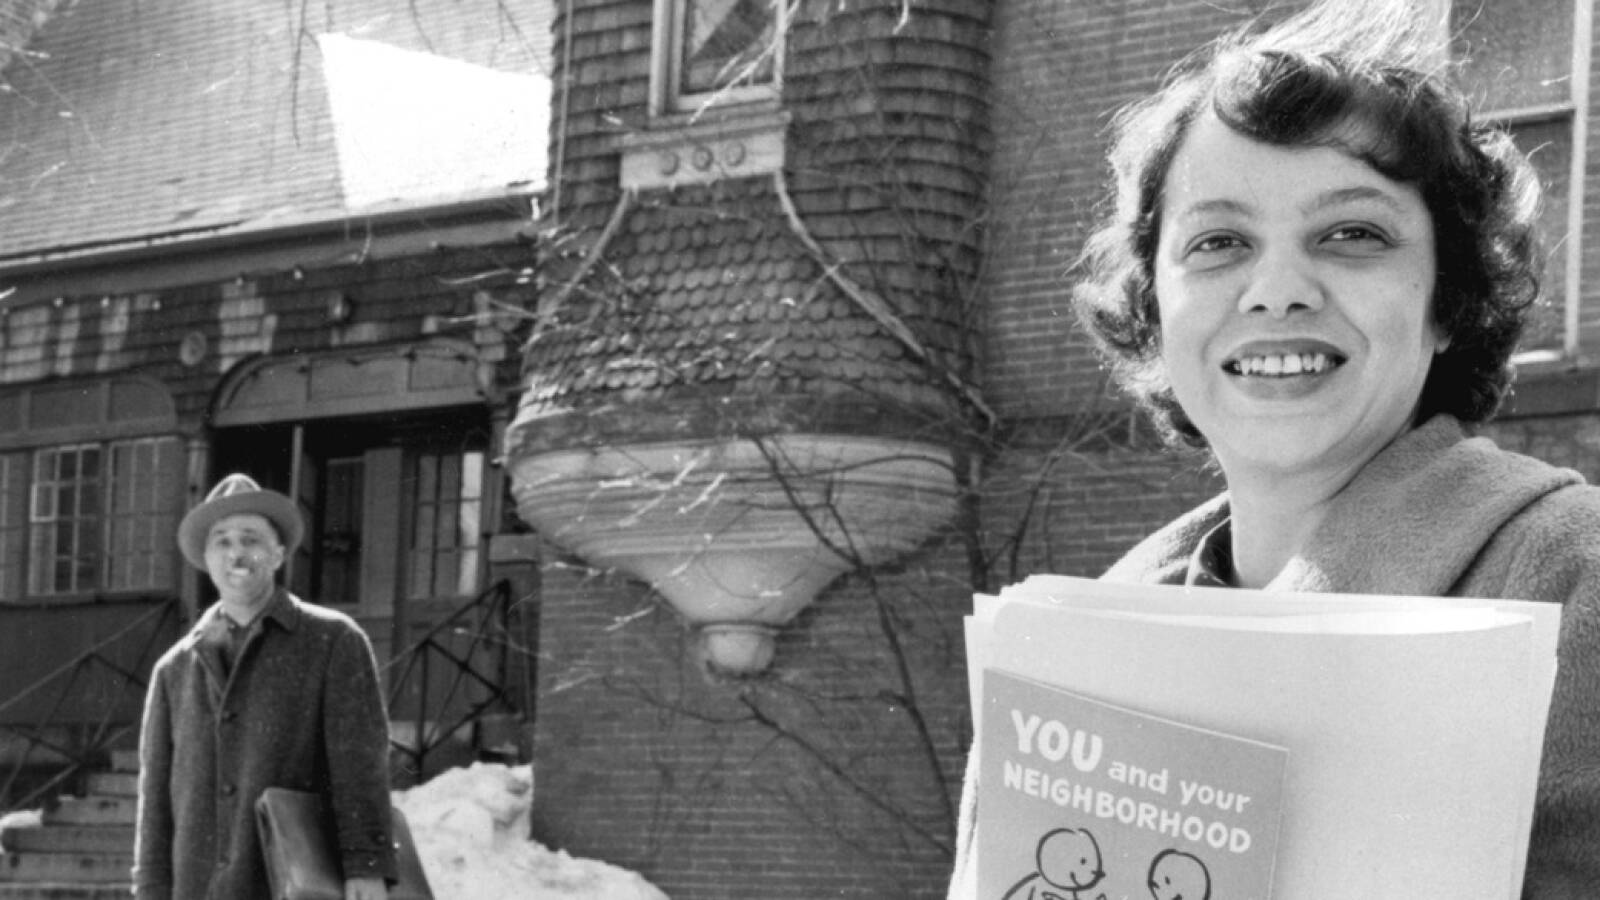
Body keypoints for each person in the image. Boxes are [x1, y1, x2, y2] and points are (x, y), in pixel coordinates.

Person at [949, 1, 1600, 897]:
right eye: (1219, 242)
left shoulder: (1577, 577)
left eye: (1352, 234)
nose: (1278, 291)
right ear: (1154, 308)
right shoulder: (1074, 649)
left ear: (1448, 298)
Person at [133, 473, 396, 900]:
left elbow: (360, 768)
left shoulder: (333, 641)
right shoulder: (173, 670)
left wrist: (365, 864)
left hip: (293, 883)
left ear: (278, 554)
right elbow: (156, 804)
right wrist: (150, 890)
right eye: (221, 540)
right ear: (205, 558)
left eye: (251, 539)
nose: (236, 552)